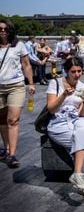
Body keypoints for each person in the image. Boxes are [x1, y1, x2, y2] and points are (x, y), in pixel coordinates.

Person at [46, 56, 84, 197]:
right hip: (58, 123)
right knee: (83, 141)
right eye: (73, 71)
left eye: (79, 71)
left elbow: (83, 114)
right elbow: (51, 109)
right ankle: (82, 182)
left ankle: (77, 175)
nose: (77, 75)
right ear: (66, 71)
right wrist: (63, 95)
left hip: (76, 120)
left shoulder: (83, 87)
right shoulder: (55, 83)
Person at [0, 19, 36, 168]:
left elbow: (26, 65)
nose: (2, 31)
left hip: (16, 85)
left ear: (10, 30)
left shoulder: (19, 45)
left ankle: (12, 154)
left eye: (5, 29)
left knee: (13, 120)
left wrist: (31, 83)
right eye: (0, 29)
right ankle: (7, 149)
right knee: (1, 120)